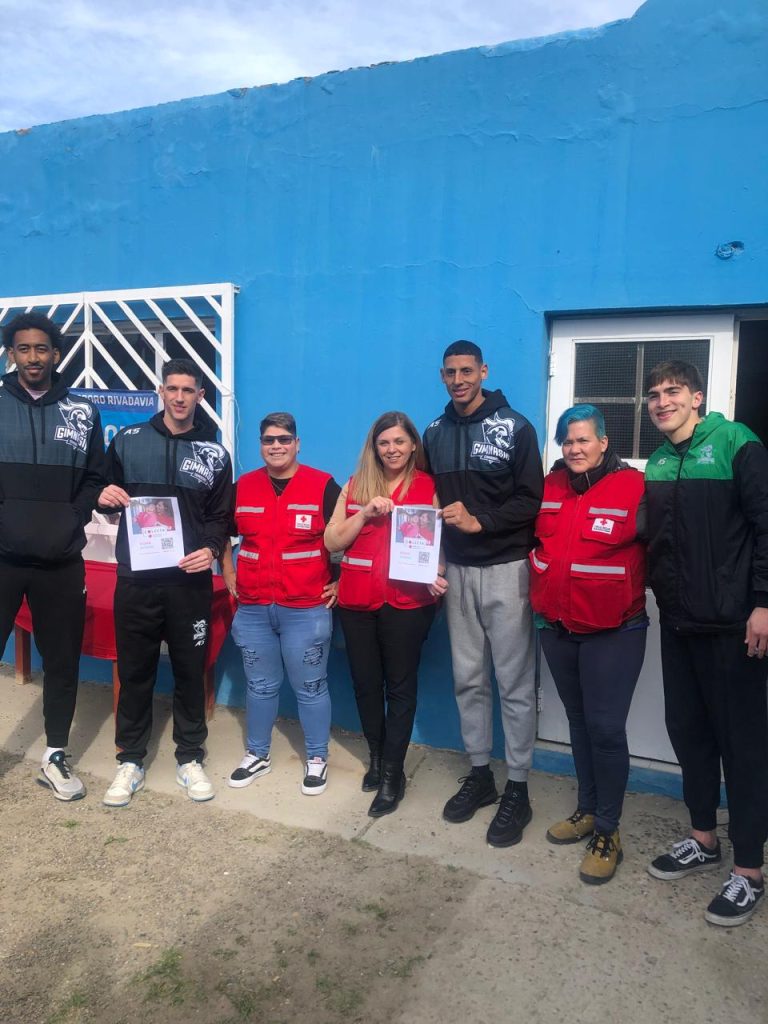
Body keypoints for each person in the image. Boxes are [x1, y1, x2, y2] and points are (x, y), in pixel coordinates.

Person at [644, 360, 768, 926]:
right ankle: (702, 839)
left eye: (672, 391)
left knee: (742, 746)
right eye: (653, 395)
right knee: (689, 735)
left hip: (733, 627)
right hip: (678, 623)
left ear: (697, 396)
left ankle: (749, 870)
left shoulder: (737, 443)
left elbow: (766, 525)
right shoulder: (659, 461)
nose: (661, 402)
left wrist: (763, 603)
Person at [97, 357, 233, 807]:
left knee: (190, 671)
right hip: (136, 581)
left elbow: (220, 517)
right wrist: (104, 496)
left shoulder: (214, 454)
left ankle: (189, 757)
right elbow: (103, 494)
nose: (179, 397)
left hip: (188, 583)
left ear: (200, 396)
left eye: (188, 390)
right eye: (172, 388)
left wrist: (210, 549)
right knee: (135, 671)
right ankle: (130, 759)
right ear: (161, 391)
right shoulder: (129, 440)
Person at [423, 340, 543, 847]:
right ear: (442, 376)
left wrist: (481, 521)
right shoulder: (434, 431)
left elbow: (532, 499)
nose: (458, 380)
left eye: (466, 371)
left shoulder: (515, 427)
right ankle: (481, 774)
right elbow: (426, 499)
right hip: (457, 573)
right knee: (468, 680)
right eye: (450, 372)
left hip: (507, 569)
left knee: (514, 683)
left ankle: (518, 786)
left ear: (483, 371)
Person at [529, 404, 647, 883]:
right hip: (558, 627)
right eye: (567, 441)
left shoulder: (634, 487)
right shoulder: (552, 485)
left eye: (583, 440)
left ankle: (609, 831)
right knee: (579, 722)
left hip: (614, 629)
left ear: (603, 442)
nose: (574, 449)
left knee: (606, 729)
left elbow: (668, 546)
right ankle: (587, 809)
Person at [0, 312, 106, 800]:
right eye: (23, 348)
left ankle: (55, 755)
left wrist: (72, 517)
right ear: (11, 354)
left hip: (61, 561)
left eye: (41, 348)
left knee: (62, 662)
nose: (33, 357)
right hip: (3, 558)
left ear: (56, 354)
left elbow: (95, 476)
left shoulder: (83, 411)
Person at [324, 411, 447, 816]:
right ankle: (376, 759)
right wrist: (364, 513)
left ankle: (394, 773)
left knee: (400, 688)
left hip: (408, 603)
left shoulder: (428, 486)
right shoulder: (355, 485)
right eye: (384, 443)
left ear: (412, 445)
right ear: (374, 447)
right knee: (365, 685)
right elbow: (331, 541)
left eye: (399, 441)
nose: (392, 449)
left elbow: (438, 546)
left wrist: (437, 572)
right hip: (358, 600)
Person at [221, 412, 340, 796]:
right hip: (254, 607)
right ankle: (257, 754)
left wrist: (341, 581)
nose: (276, 446)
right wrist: (227, 570)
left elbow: (348, 537)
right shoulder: (243, 487)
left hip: (306, 609)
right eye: (269, 440)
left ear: (297, 444)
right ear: (261, 445)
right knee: (259, 685)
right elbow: (220, 531)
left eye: (284, 439)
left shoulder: (322, 486)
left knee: (311, 687)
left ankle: (317, 757)